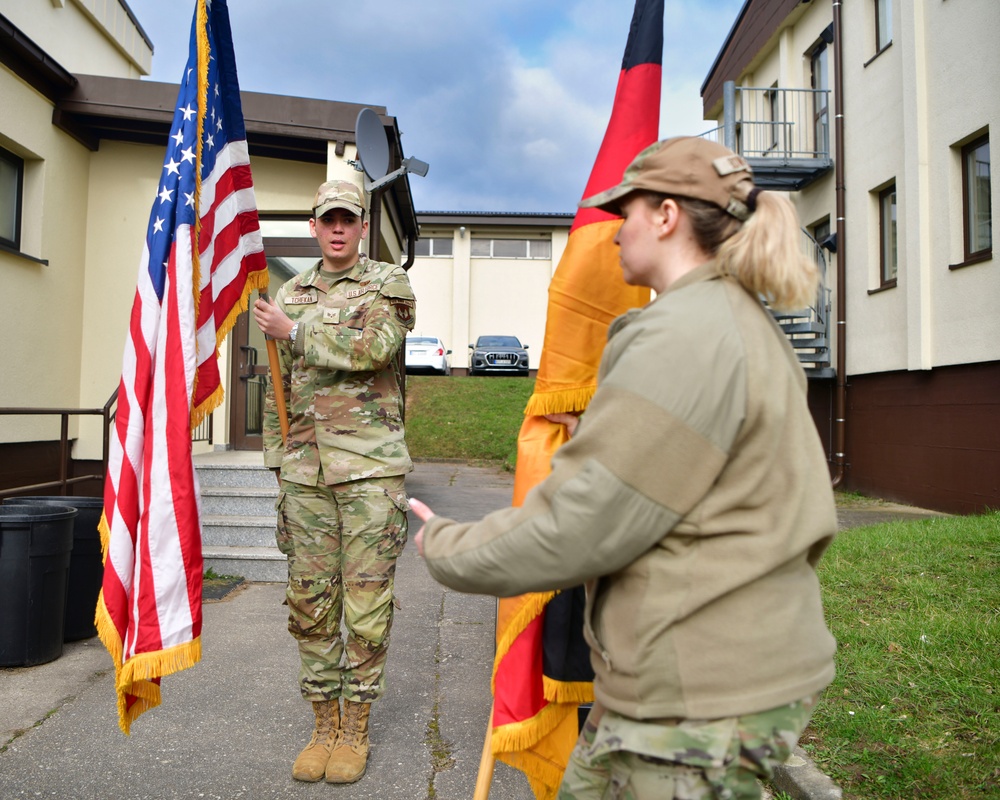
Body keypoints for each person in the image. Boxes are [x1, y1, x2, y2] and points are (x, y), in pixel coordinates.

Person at [410, 137, 838, 799]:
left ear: (667, 215)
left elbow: (580, 525)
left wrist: (446, 543)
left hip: (697, 699)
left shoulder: (683, 333)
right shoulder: (728, 320)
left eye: (627, 212)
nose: (613, 234)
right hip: (678, 679)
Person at [252, 179, 416, 785]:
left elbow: (374, 347)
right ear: (315, 228)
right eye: (328, 221)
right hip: (306, 473)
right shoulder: (291, 291)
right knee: (309, 600)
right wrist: (278, 457)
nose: (338, 229)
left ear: (361, 226)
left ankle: (355, 725)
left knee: (365, 601)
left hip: (369, 469)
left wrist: (292, 332)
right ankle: (321, 723)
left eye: (348, 219)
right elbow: (280, 386)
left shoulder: (387, 284)